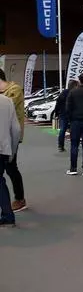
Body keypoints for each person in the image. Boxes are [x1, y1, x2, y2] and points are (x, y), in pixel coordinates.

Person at [0, 69, 26, 212]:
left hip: (11, 135)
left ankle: (20, 198)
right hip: (2, 134)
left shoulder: (14, 89)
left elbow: (6, 103)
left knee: (11, 168)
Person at [0, 93, 22, 227]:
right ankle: (7, 215)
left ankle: (8, 215)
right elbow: (16, 130)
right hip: (3, 148)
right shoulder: (7, 101)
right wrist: (12, 151)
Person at [55, 80, 78, 153]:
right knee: (74, 131)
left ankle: (60, 146)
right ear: (74, 86)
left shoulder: (63, 93)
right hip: (72, 115)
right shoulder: (75, 93)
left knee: (62, 130)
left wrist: (56, 113)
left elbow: (58, 103)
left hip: (63, 114)